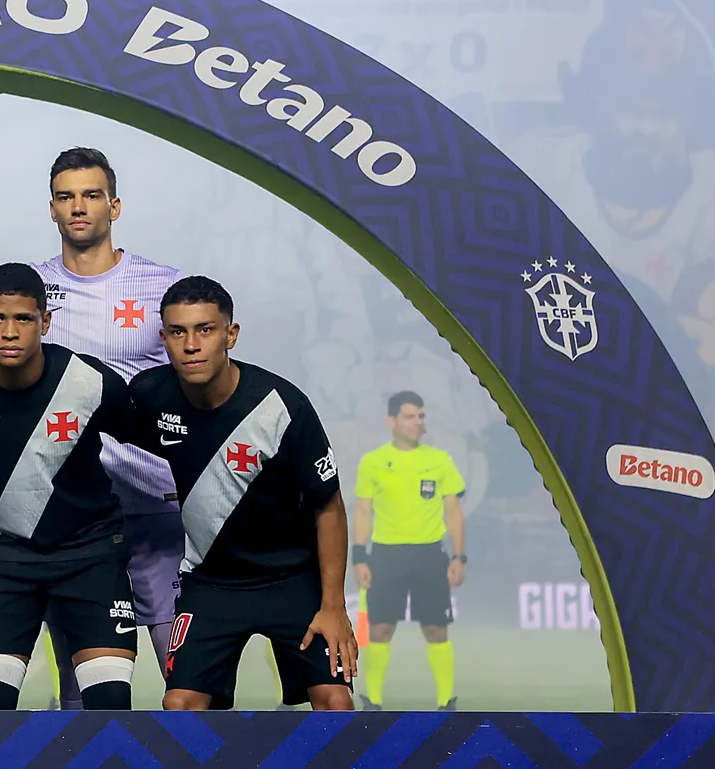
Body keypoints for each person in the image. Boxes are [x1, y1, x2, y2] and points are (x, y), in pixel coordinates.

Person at [0, 147, 184, 709]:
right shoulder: (27, 292)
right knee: (84, 688)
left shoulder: (162, 284)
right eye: (67, 197)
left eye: (91, 195)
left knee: (184, 675)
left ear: (114, 205)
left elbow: (202, 376)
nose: (79, 208)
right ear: (52, 209)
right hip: (69, 514)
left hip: (155, 505)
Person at [127, 276, 357, 710]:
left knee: (334, 702)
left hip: (292, 579)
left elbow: (329, 506)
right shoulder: (149, 396)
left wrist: (333, 607)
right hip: (211, 582)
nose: (191, 344)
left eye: (205, 330)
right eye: (178, 332)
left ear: (230, 334)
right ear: (164, 339)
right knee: (179, 706)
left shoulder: (282, 407)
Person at [0, 263, 140, 709]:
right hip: (4, 555)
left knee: (111, 702)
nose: (10, 332)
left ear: (46, 321)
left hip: (91, 552)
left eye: (24, 319)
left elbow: (156, 439)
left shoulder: (91, 382)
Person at [353, 391, 467, 712]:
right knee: (380, 628)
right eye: (410, 416)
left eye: (421, 416)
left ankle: (446, 702)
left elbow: (454, 511)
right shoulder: (373, 462)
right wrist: (359, 557)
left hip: (430, 555)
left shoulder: (439, 460)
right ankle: (372, 701)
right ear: (392, 421)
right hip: (386, 555)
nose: (419, 422)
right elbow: (362, 511)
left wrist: (459, 556)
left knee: (435, 628)